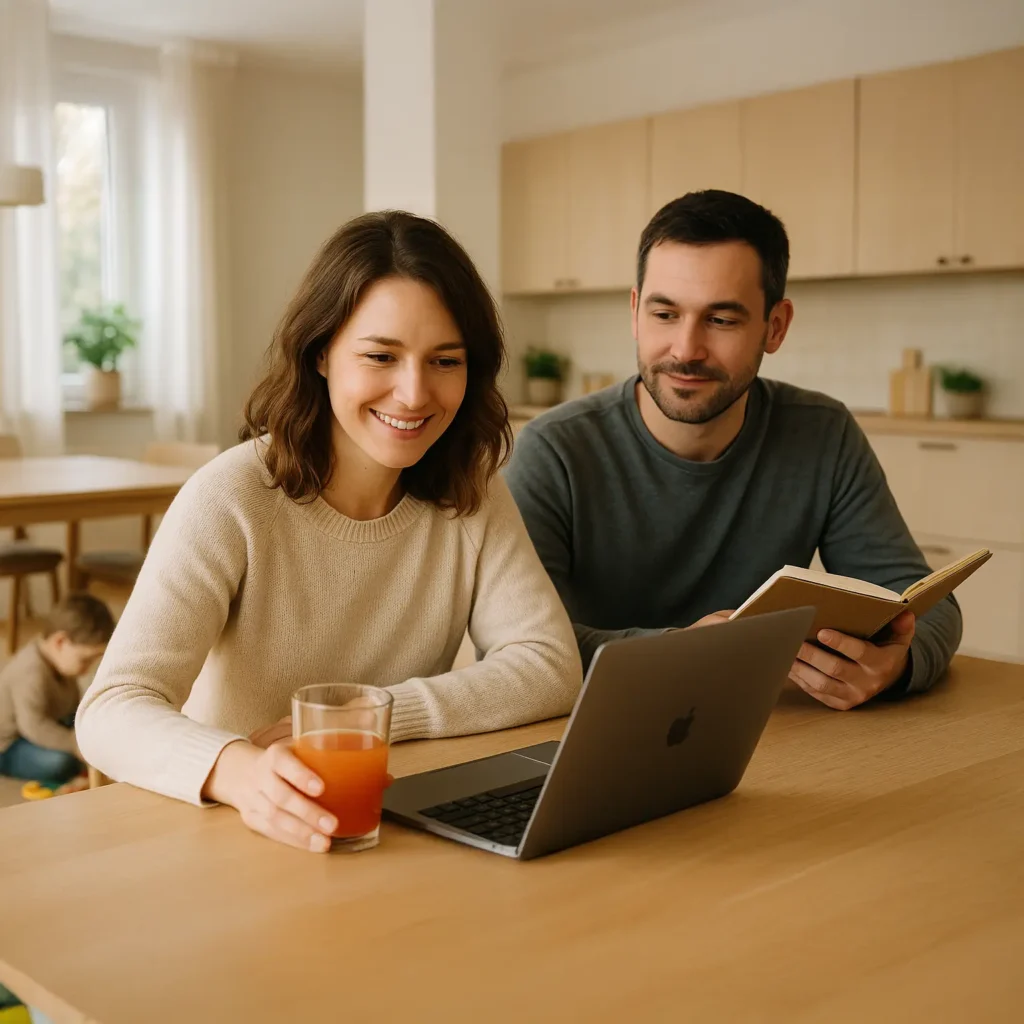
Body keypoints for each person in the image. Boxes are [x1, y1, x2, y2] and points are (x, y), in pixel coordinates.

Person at [77, 211, 582, 854]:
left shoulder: (472, 490)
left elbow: (549, 665)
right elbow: (112, 707)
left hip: (386, 823)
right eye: (380, 356)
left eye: (444, 361)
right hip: (234, 831)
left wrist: (371, 719)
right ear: (321, 354)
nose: (413, 393)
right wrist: (237, 769)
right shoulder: (232, 496)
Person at [506, 189, 961, 711]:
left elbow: (924, 602)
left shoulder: (822, 433)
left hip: (772, 729)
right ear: (634, 312)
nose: (686, 349)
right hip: (599, 727)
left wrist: (896, 664)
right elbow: (521, 646)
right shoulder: (554, 450)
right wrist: (677, 652)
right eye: (665, 314)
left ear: (775, 326)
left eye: (721, 320)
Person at [0, 593, 114, 787]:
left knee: (99, 729)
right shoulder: (30, 671)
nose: (88, 668)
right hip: (11, 744)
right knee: (61, 763)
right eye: (85, 660)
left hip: (49, 724)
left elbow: (72, 710)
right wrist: (74, 745)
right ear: (60, 642)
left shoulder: (60, 662)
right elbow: (34, 726)